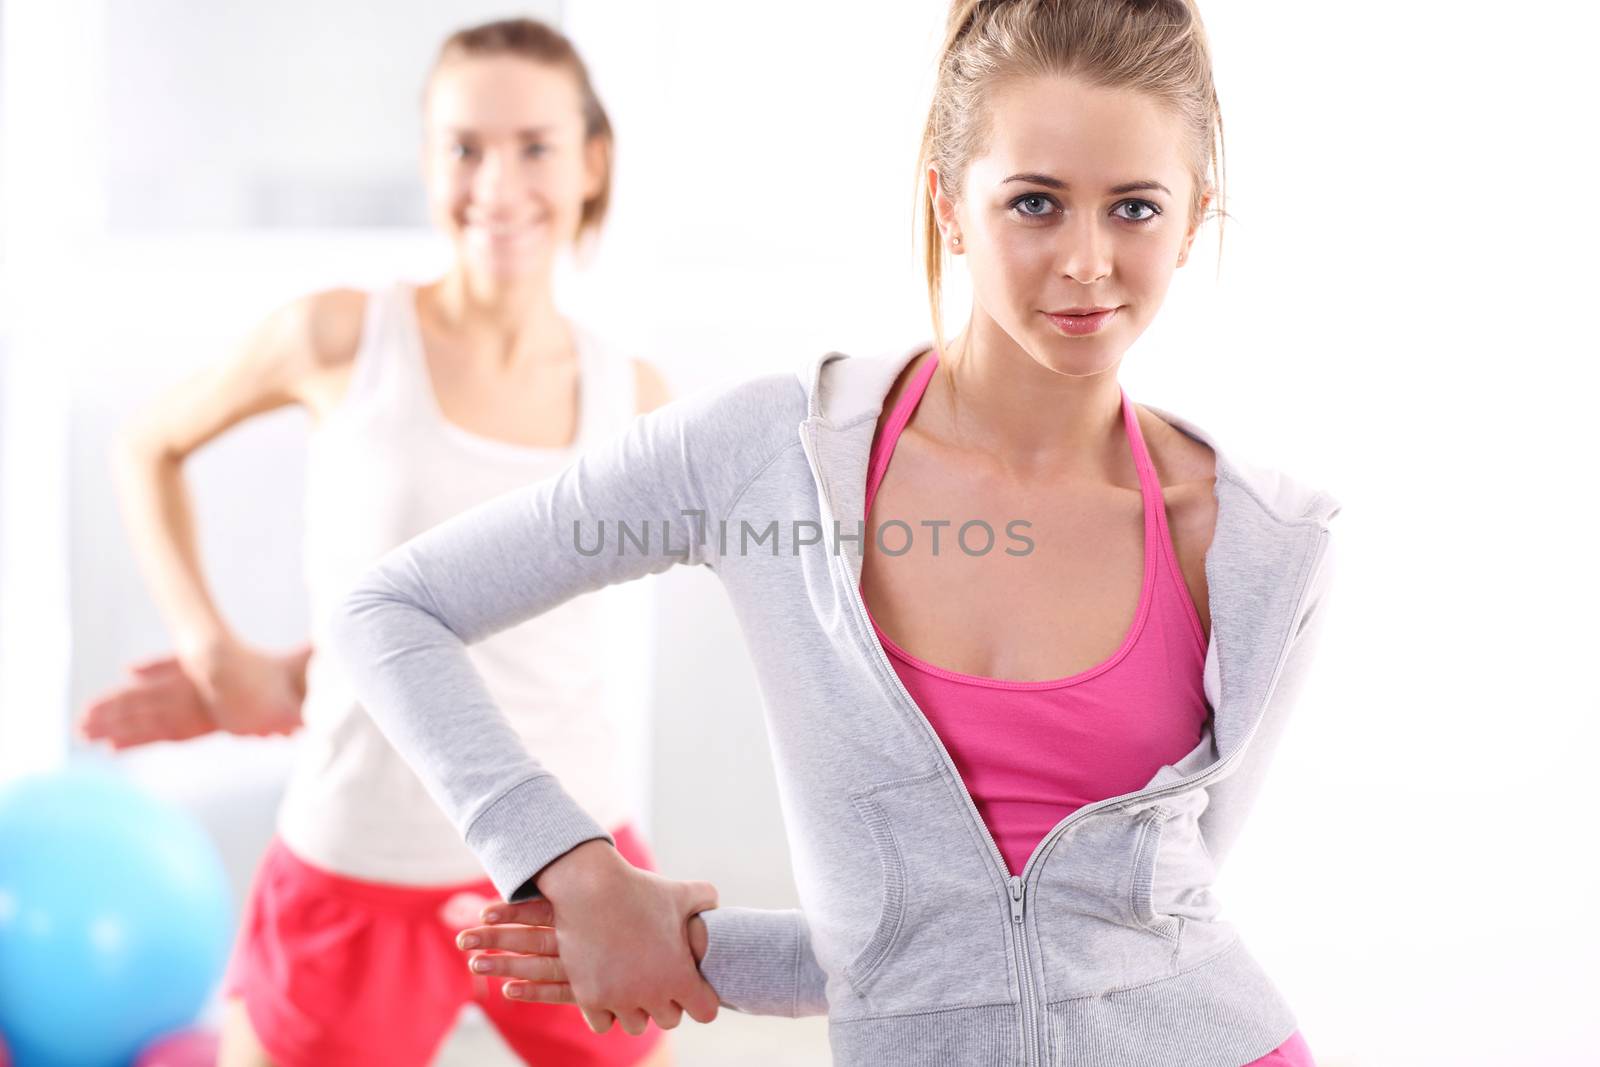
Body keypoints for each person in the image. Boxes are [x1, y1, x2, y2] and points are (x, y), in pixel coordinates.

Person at [327, 1, 1340, 1064]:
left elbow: (1109, 933)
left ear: (1193, 219)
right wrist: (575, 868)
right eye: (1034, 203)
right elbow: (390, 608)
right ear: (948, 203)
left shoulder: (1258, 540)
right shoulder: (764, 459)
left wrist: (700, 949)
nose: (1086, 261)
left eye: (1134, 208)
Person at [77, 17, 685, 1067]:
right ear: (426, 162)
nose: (495, 183)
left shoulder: (637, 398)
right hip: (361, 852)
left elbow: (507, 629)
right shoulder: (340, 338)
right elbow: (149, 443)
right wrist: (222, 653)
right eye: (463, 146)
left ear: (592, 163)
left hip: (566, 857)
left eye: (534, 145)